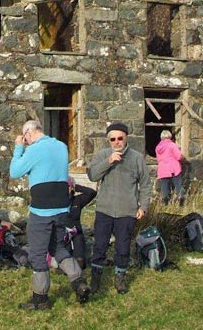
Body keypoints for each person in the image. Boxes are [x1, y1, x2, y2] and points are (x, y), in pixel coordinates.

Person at [10, 120, 90, 310]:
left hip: (42, 210)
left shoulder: (34, 150)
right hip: (62, 208)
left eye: (25, 136)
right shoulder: (61, 146)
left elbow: (15, 171)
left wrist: (18, 148)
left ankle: (40, 300)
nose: (25, 140)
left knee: (37, 255)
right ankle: (79, 282)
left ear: (29, 132)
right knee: (58, 246)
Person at [87, 122, 151, 295]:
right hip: (104, 209)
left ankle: (120, 278)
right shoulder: (102, 155)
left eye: (120, 138)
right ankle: (96, 277)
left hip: (127, 211)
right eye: (112, 139)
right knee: (99, 245)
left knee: (122, 248)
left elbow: (145, 184)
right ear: (109, 141)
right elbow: (92, 175)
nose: (116, 142)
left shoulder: (137, 158)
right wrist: (108, 161)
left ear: (126, 138)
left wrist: (143, 206)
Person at [64, 177, 96, 270]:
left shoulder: (77, 200)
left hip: (77, 233)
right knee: (65, 259)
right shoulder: (57, 201)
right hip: (63, 234)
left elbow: (92, 193)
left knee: (80, 261)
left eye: (69, 186)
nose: (67, 189)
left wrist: (77, 186)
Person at [155, 130, 184, 206]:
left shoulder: (157, 147)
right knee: (178, 186)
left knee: (164, 187)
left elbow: (158, 159)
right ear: (170, 136)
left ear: (161, 137)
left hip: (163, 169)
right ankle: (181, 204)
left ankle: (165, 204)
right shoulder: (172, 145)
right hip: (173, 169)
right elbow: (179, 157)